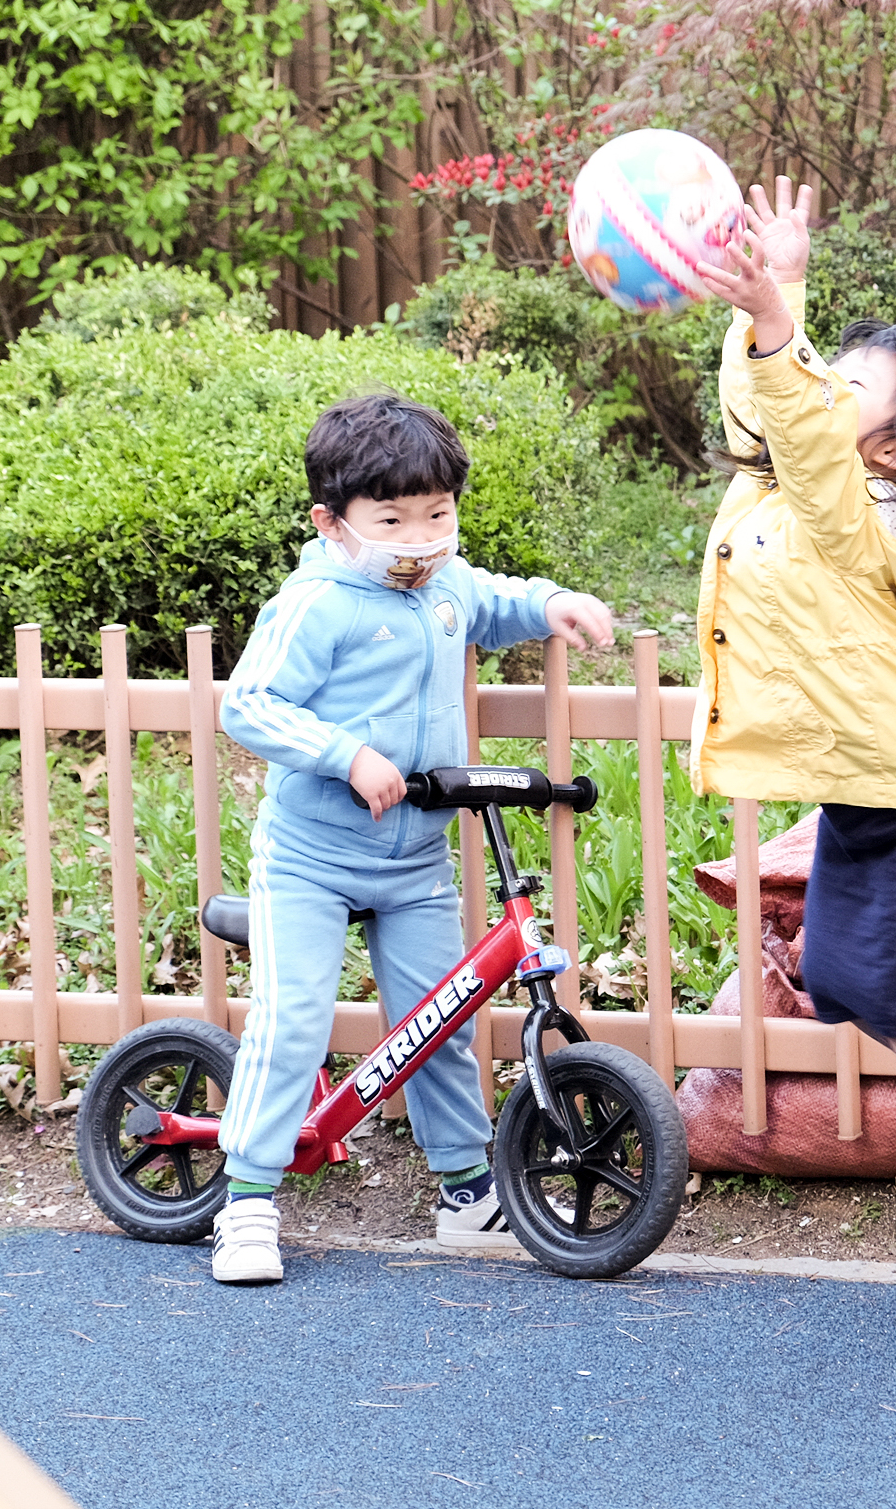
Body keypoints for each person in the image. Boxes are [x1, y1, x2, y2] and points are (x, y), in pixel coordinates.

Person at [691, 179, 896, 1290]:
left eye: (847, 387)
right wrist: (774, 295)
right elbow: (766, 412)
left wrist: (777, 322)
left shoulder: (870, 521)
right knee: (836, 978)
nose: (815, 388)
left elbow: (802, 428)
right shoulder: (793, 487)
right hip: (866, 790)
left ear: (894, 453)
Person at [210, 391, 615, 1284]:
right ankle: (246, 1201)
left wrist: (553, 603)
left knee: (442, 1022)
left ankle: (467, 1191)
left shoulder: (445, 584)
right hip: (312, 857)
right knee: (293, 1022)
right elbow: (248, 704)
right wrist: (345, 753)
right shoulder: (317, 603)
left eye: (438, 514)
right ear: (332, 522)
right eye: (392, 521)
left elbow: (495, 601)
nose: (421, 539)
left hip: (415, 859)